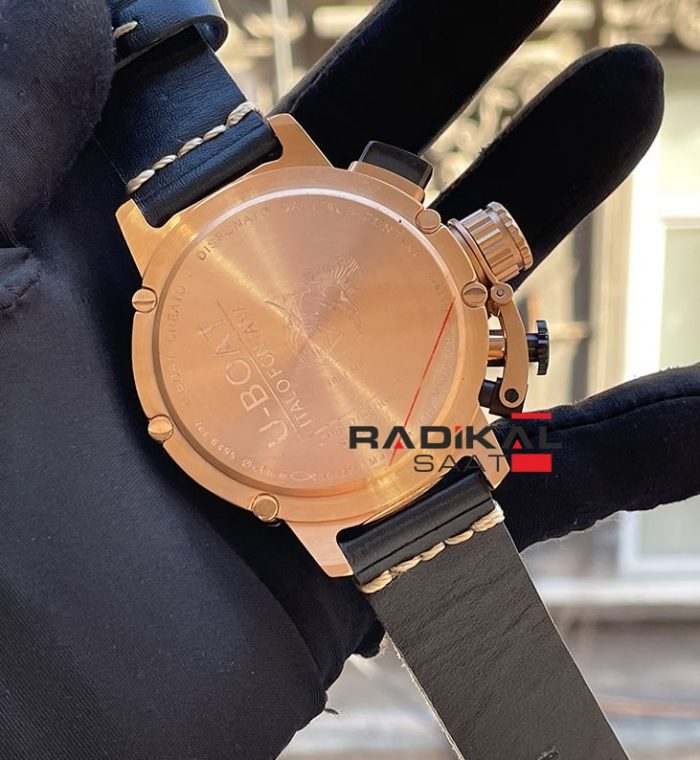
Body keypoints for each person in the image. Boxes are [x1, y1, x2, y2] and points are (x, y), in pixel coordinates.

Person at [0, 1, 698, 758]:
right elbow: (488, 448)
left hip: (342, 431)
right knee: (525, 453)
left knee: (521, 454)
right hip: (377, 455)